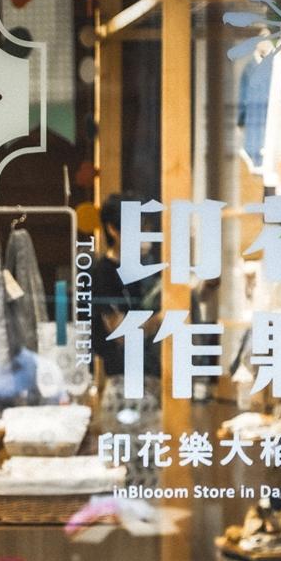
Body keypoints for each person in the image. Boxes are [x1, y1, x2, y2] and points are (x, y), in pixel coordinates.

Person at [89, 193, 163, 486]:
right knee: (122, 483)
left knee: (151, 482)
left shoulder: (147, 271)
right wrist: (162, 319)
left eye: (145, 227)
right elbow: (120, 331)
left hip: (152, 386)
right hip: (123, 388)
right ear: (113, 229)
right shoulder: (103, 273)